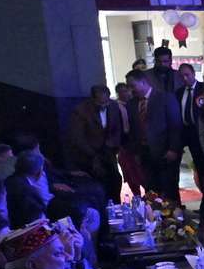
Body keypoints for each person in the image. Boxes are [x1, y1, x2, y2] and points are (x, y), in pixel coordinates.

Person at [63, 85, 126, 202]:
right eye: (100, 103)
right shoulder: (81, 111)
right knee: (99, 187)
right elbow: (78, 138)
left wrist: (113, 145)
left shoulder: (113, 105)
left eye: (106, 102)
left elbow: (117, 128)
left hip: (109, 152)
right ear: (92, 99)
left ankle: (116, 205)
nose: (104, 105)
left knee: (116, 180)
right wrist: (94, 155)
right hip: (89, 155)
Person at [133, 67, 183, 201]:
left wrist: (173, 149)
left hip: (165, 151)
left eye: (133, 85)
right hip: (144, 153)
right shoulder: (133, 103)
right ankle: (153, 213)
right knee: (151, 189)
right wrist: (136, 151)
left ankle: (174, 214)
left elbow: (175, 125)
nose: (131, 89)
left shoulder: (165, 97)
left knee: (169, 189)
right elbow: (134, 129)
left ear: (143, 82)